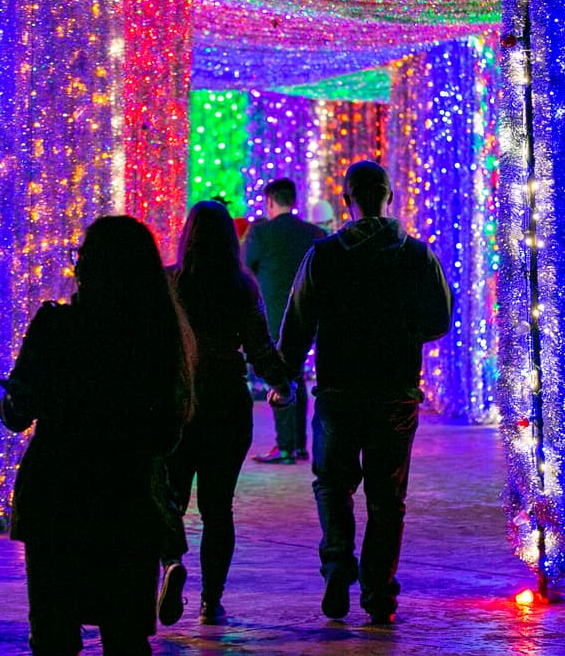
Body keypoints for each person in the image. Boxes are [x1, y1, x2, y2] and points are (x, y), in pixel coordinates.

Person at [0, 216, 193, 655]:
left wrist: (23, 398)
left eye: (81, 258)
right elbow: (166, 436)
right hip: (125, 502)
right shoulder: (155, 336)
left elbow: (15, 415)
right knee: (124, 635)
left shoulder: (55, 327)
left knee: (53, 632)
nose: (76, 267)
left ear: (92, 267)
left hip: (56, 497)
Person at [278, 160, 452, 625]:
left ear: (346, 200)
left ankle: (337, 565)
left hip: (338, 390)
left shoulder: (326, 254)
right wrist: (399, 331)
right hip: (394, 392)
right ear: (389, 197)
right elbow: (439, 320)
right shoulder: (417, 256)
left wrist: (284, 376)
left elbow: (298, 322)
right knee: (386, 497)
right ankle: (379, 594)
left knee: (332, 484)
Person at [161, 200, 294, 625]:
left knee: (170, 499)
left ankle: (170, 565)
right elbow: (260, 348)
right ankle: (210, 602)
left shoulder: (170, 283)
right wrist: (282, 384)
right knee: (219, 509)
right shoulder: (243, 286)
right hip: (227, 405)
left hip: (180, 404)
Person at [243, 178, 326, 464]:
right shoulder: (313, 232)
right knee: (297, 377)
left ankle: (285, 447)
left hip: (275, 316)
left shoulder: (261, 232)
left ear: (269, 201)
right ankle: (299, 445)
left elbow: (245, 266)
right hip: (309, 315)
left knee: (279, 377)